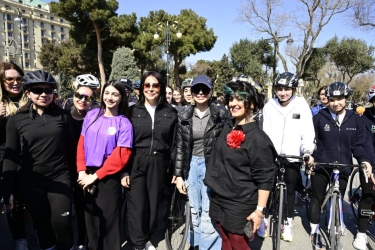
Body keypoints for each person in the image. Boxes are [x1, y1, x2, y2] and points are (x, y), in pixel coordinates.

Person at [3, 70, 74, 250]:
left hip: (60, 178)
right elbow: (10, 158)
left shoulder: (64, 116)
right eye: (37, 90)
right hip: (31, 182)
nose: (44, 94)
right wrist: (7, 190)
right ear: (27, 92)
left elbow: (73, 150)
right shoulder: (16, 120)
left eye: (48, 90)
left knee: (62, 223)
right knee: (42, 224)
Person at [205, 78, 277, 250]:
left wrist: (259, 211)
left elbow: (265, 178)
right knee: (224, 238)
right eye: (231, 99)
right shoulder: (228, 126)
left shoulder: (259, 139)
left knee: (239, 243)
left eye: (240, 99)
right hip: (220, 196)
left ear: (251, 104)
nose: (234, 104)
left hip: (241, 202)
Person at [309, 82, 373, 250]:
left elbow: (358, 146)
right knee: (317, 198)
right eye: (332, 99)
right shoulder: (319, 117)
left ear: (346, 99)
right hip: (321, 163)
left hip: (344, 165)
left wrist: (364, 161)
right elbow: (311, 141)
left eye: (340, 99)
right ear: (327, 99)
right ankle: (314, 231)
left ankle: (336, 225)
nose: (336, 103)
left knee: (337, 198)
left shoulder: (355, 119)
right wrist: (309, 157)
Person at [121, 71, 177, 250]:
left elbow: (175, 143)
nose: (151, 89)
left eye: (155, 85)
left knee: (153, 209)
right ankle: (138, 243)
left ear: (161, 88)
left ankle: (147, 236)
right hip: (136, 161)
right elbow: (123, 143)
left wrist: (176, 170)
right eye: (147, 85)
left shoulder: (171, 113)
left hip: (159, 163)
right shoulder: (131, 111)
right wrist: (124, 170)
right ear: (141, 88)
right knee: (137, 206)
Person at [76, 80, 133, 250]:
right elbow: (81, 144)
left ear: (122, 97)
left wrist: (95, 176)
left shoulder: (124, 123)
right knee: (91, 220)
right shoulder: (92, 114)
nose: (110, 97)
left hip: (108, 178)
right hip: (87, 176)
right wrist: (81, 171)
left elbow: (121, 156)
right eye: (107, 93)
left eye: (115, 94)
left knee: (109, 222)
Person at [173, 75, 226, 250]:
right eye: (197, 89)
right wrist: (179, 175)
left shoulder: (220, 114)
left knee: (208, 210)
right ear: (192, 92)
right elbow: (180, 147)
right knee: (194, 209)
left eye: (204, 89)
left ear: (210, 92)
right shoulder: (184, 115)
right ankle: (195, 244)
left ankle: (209, 247)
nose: (201, 93)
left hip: (211, 166)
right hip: (191, 166)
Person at [262, 72, 315, 242]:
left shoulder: (301, 105)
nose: (283, 92)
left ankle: (288, 222)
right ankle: (264, 219)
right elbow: (265, 130)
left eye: (286, 89)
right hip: (273, 155)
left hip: (293, 156)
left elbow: (307, 130)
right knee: (267, 188)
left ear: (293, 89)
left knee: (290, 191)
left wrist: (307, 150)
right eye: (279, 89)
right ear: (275, 89)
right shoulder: (269, 105)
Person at [65, 74, 100, 249]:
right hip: (64, 168)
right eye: (79, 96)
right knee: (62, 209)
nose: (83, 100)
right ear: (74, 95)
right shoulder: (63, 117)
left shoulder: (95, 118)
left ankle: (82, 241)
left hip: (84, 169)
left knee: (81, 206)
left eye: (88, 98)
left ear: (93, 101)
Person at [0, 62, 29, 250]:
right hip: (3, 159)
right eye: (9, 79)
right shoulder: (0, 104)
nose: (15, 82)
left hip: (28, 159)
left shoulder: (31, 99)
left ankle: (22, 237)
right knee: (8, 200)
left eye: (19, 78)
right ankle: (19, 237)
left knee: (20, 201)